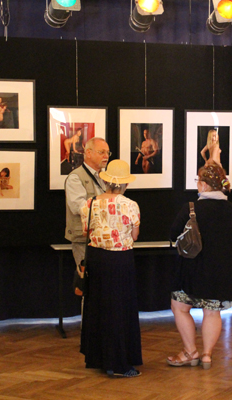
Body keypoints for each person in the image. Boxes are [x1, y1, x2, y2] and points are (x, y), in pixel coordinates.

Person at [167, 163, 232, 370]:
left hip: (191, 271)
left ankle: (190, 352)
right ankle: (207, 355)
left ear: (203, 184)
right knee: (212, 312)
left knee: (180, 307)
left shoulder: (191, 209)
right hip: (223, 273)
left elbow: (173, 235)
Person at [79, 160, 142, 378]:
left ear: (106, 181)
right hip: (120, 259)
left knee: (98, 306)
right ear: (125, 184)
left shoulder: (90, 203)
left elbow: (86, 231)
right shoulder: (130, 205)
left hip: (96, 258)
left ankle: (99, 358)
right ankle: (119, 363)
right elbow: (134, 236)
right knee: (119, 308)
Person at [65, 137, 110, 269]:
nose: (106, 156)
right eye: (102, 152)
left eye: (108, 153)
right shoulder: (75, 177)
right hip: (84, 240)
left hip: (104, 238)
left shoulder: (105, 177)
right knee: (88, 276)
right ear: (88, 153)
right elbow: (78, 207)